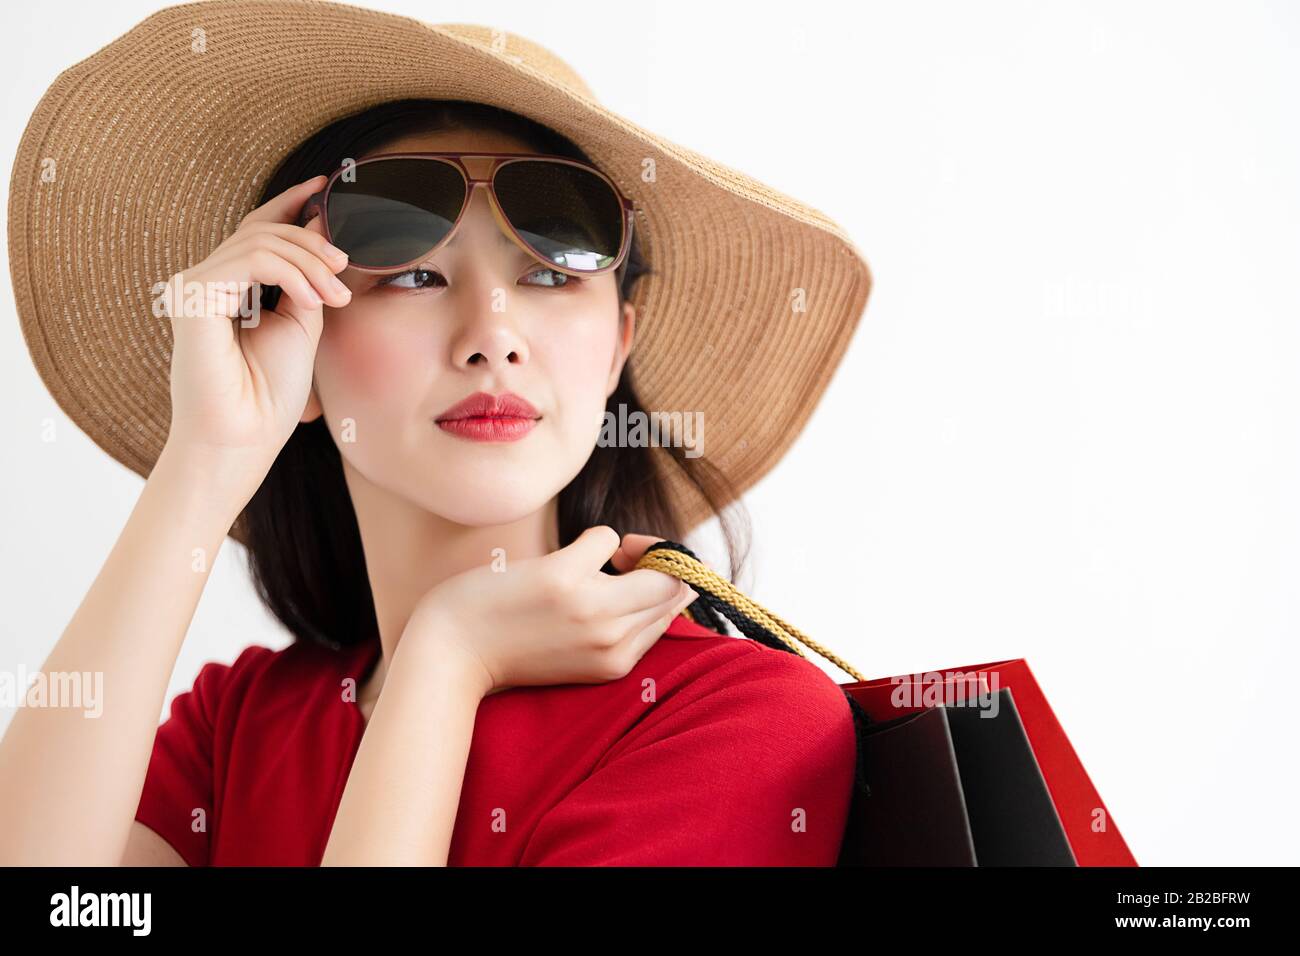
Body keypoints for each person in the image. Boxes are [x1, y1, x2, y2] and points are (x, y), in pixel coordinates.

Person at [1, 8, 872, 866]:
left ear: (618, 347)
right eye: (414, 274)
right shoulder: (237, 731)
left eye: (546, 273)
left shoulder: (733, 720)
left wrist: (448, 656)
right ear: (294, 337)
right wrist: (206, 458)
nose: (492, 333)